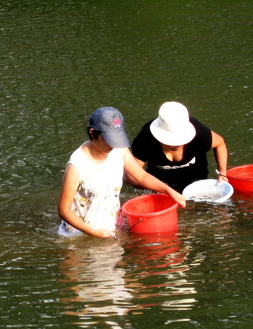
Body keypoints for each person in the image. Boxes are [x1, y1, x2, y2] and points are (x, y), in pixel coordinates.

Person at [58, 107, 186, 238]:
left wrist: (168, 190)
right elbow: (64, 210)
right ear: (92, 133)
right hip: (80, 234)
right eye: (109, 139)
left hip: (112, 228)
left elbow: (141, 176)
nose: (113, 145)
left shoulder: (119, 150)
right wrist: (94, 233)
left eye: (117, 138)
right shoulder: (77, 166)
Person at [130, 101, 229, 193]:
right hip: (160, 179)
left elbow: (220, 143)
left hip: (195, 174)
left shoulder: (199, 132)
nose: (176, 144)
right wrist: (159, 187)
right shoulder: (145, 138)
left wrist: (222, 173)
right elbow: (133, 175)